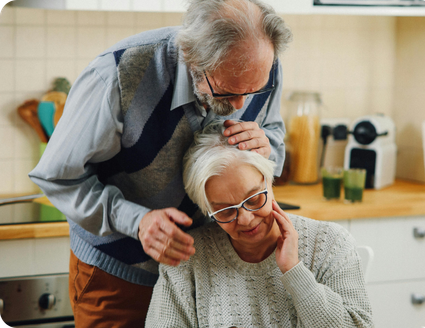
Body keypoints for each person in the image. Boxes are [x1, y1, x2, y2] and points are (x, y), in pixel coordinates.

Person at [28, 0, 292, 326]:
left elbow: (274, 136)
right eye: (226, 93)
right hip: (122, 277)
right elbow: (58, 178)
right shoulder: (116, 77)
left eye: (253, 91)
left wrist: (267, 147)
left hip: (214, 272)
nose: (241, 105)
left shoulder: (262, 68)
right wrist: (136, 222)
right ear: (192, 58)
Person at [145, 121, 374, 328]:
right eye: (225, 211)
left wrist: (294, 272)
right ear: (208, 210)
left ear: (270, 181)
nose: (245, 219)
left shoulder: (330, 243)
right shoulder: (186, 259)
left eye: (254, 199)